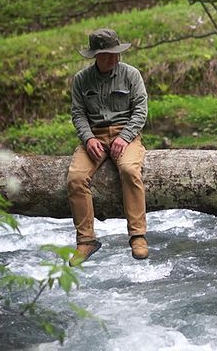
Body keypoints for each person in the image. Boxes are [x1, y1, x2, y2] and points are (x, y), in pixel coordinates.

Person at [67, 28, 149, 266]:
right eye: (107, 54)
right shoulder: (81, 80)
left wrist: (124, 137)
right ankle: (86, 240)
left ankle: (138, 236)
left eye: (115, 53)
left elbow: (141, 111)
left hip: (127, 134)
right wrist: (89, 138)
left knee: (129, 171)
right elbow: (78, 114)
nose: (113, 58)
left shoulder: (132, 75)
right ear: (96, 56)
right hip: (94, 135)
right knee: (75, 178)